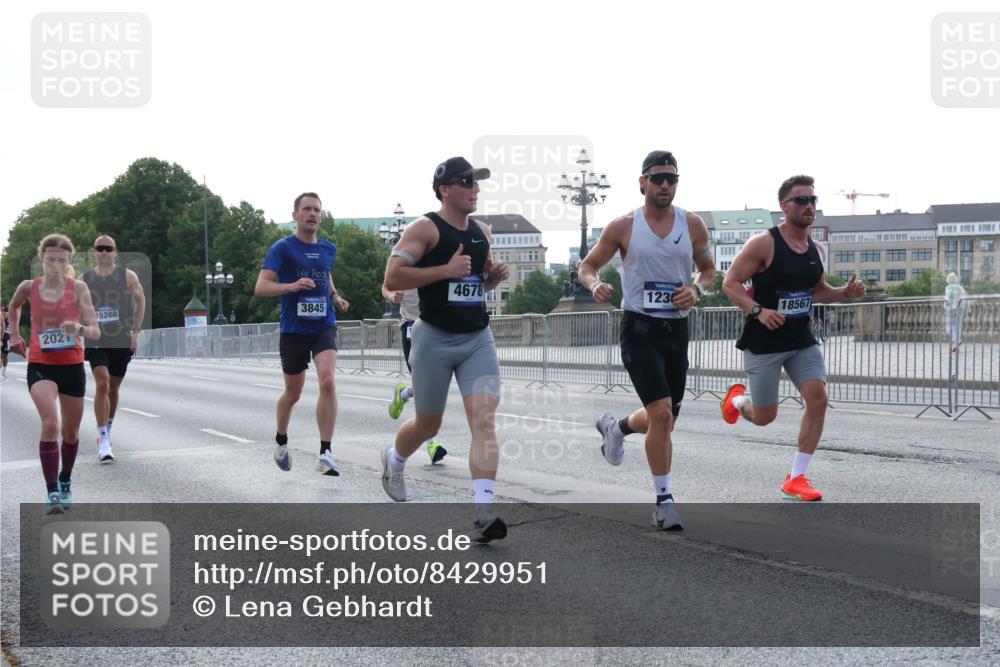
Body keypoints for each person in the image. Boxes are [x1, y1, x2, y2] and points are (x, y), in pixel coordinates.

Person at [579, 150, 715, 531]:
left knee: (666, 419)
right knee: (661, 414)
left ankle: (616, 428)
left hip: (676, 330)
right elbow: (587, 266)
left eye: (672, 178)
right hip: (639, 327)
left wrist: (697, 290)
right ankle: (664, 501)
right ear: (643, 182)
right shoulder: (623, 226)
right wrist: (595, 284)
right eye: (658, 178)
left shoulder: (693, 225)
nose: (665, 185)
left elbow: (708, 270)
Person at [381, 156, 509, 543]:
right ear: (445, 189)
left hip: (477, 338)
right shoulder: (425, 228)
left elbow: (473, 285)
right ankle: (395, 459)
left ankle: (483, 512)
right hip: (434, 337)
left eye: (477, 182)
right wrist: (444, 270)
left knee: (484, 421)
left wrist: (491, 280)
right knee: (428, 425)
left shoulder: (482, 232)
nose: (475, 189)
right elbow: (392, 277)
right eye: (466, 182)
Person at [720, 175, 865, 501]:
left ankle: (796, 478)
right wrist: (758, 310)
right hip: (765, 341)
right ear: (784, 206)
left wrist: (845, 292)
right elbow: (730, 283)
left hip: (801, 339)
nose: (809, 206)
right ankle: (737, 401)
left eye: (813, 200)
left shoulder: (816, 249)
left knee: (818, 398)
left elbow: (817, 292)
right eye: (801, 200)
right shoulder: (764, 244)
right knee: (764, 417)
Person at [254, 192, 349, 476]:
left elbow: (324, 272)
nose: (312, 214)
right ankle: (281, 440)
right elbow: (261, 286)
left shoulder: (328, 248)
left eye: (317, 210)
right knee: (293, 394)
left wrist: (335, 296)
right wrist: (290, 286)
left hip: (323, 324)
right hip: (294, 329)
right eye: (307, 209)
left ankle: (326, 453)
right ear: (295, 215)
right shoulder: (283, 248)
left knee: (328, 381)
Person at [7, 234, 101, 513]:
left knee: (70, 433)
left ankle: (65, 480)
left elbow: (95, 330)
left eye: (61, 260)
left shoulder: (79, 288)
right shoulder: (29, 287)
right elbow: (14, 306)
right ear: (42, 259)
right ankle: (52, 494)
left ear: (68, 260)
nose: (56, 265)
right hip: (41, 364)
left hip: (71, 365)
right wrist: (14, 334)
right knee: (50, 423)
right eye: (50, 260)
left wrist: (79, 329)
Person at [80, 235, 146, 463]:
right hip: (96, 337)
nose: (104, 251)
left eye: (108, 248)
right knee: (102, 383)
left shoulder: (128, 276)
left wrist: (135, 331)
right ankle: (103, 439)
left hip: (120, 337)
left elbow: (141, 300)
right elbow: (75, 305)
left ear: (116, 252)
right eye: (100, 248)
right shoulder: (85, 279)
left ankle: (108, 427)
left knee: (113, 388)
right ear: (94, 252)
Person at [383, 284, 447, 464]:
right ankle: (431, 443)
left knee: (432, 384)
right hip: (411, 326)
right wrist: (392, 296)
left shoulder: (437, 267)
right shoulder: (405, 266)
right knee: (423, 386)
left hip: (434, 326)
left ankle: (403, 394)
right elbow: (386, 286)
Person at [944, 272, 969, 354]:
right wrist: (968, 309)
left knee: (949, 326)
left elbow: (948, 298)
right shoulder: (960, 287)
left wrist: (945, 306)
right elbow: (966, 297)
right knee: (958, 326)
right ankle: (957, 344)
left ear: (948, 280)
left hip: (951, 308)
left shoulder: (948, 287)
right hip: (961, 308)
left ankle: (956, 340)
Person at [1, 300, 10, 382]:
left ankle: (3, 371)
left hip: (6, 336)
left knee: (5, 355)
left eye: (2, 305)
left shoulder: (7, 314)